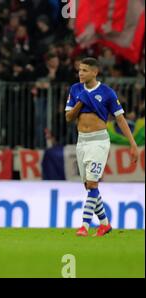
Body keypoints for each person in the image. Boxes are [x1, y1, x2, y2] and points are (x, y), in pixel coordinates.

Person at [65, 57, 138, 237]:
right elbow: (68, 117)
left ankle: (84, 225)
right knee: (88, 186)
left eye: (84, 70)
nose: (80, 73)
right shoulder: (75, 90)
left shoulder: (107, 92)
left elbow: (120, 119)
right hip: (82, 140)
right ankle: (105, 224)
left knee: (92, 183)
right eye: (79, 70)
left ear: (95, 72)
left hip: (99, 141)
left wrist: (133, 143)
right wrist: (80, 101)